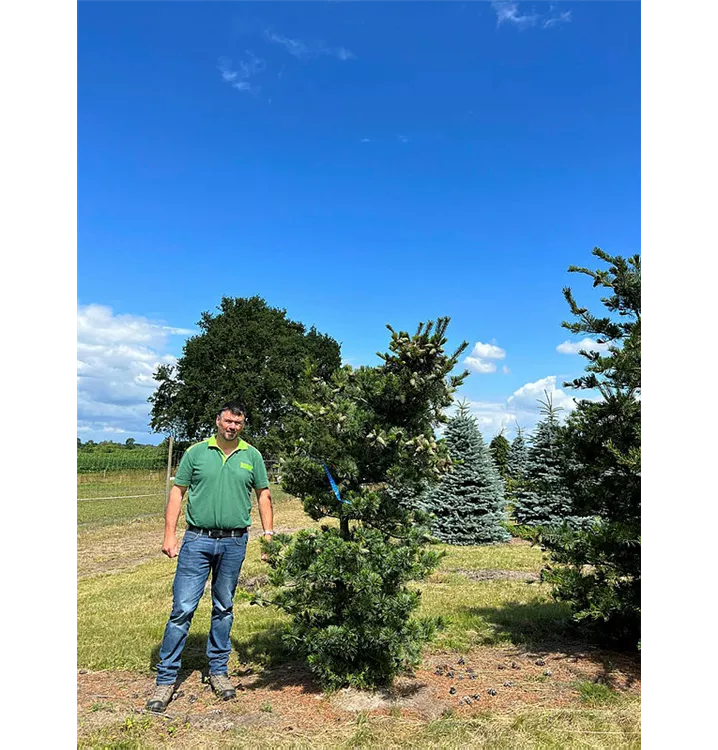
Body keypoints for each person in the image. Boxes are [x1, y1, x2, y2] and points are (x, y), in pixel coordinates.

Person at [146, 401, 274, 713]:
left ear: (243, 425)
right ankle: (166, 679)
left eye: (238, 423)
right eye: (228, 421)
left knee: (224, 607)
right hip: (197, 540)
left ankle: (218, 672)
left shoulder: (251, 456)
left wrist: (268, 534)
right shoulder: (196, 453)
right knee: (183, 608)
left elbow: (263, 495)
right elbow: (178, 491)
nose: (232, 427)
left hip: (234, 542)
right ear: (218, 421)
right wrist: (169, 533)